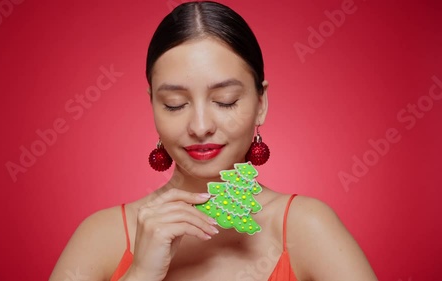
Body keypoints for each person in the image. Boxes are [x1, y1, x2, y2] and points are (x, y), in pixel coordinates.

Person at [50, 1, 378, 280]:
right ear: (152, 105)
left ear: (260, 103)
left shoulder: (307, 227)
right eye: (175, 105)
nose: (201, 126)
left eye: (225, 100)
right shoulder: (102, 234)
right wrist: (140, 274)